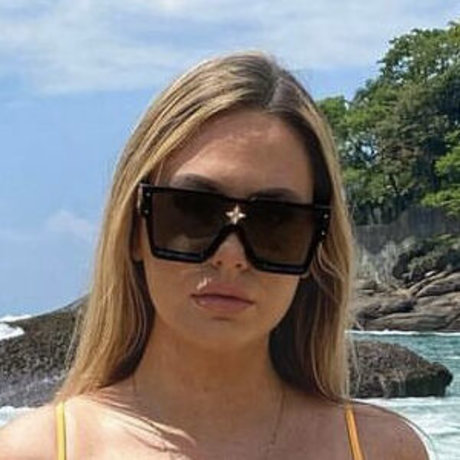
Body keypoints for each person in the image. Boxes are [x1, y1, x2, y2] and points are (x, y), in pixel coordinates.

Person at [0, 51, 429, 459]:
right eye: (193, 211)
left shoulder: (379, 450)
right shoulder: (35, 451)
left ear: (317, 246)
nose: (231, 254)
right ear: (133, 229)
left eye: (275, 221)